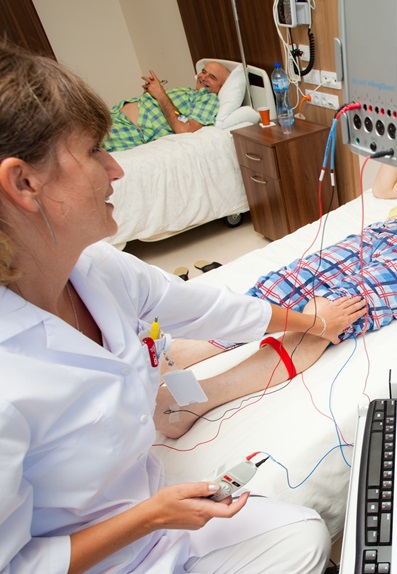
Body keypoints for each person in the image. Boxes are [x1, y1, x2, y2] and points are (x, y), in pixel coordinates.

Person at [0, 43, 366, 572]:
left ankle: (174, 395)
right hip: (104, 555)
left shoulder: (97, 269)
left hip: (149, 510)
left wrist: (312, 320)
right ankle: (178, 397)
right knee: (170, 350)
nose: (116, 169)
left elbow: (209, 308)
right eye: (94, 151)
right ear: (24, 182)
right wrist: (151, 517)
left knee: (304, 535)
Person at [155, 98, 397, 440]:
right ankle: (172, 358)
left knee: (331, 313)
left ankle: (197, 399)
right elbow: (385, 189)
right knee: (284, 284)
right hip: (382, 231)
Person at [103, 61, 230, 152]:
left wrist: (160, 94)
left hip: (127, 130)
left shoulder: (209, 99)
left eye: (212, 77)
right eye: (203, 72)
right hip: (114, 117)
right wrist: (150, 94)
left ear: (222, 86)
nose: (203, 77)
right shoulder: (187, 91)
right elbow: (164, 111)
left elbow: (186, 130)